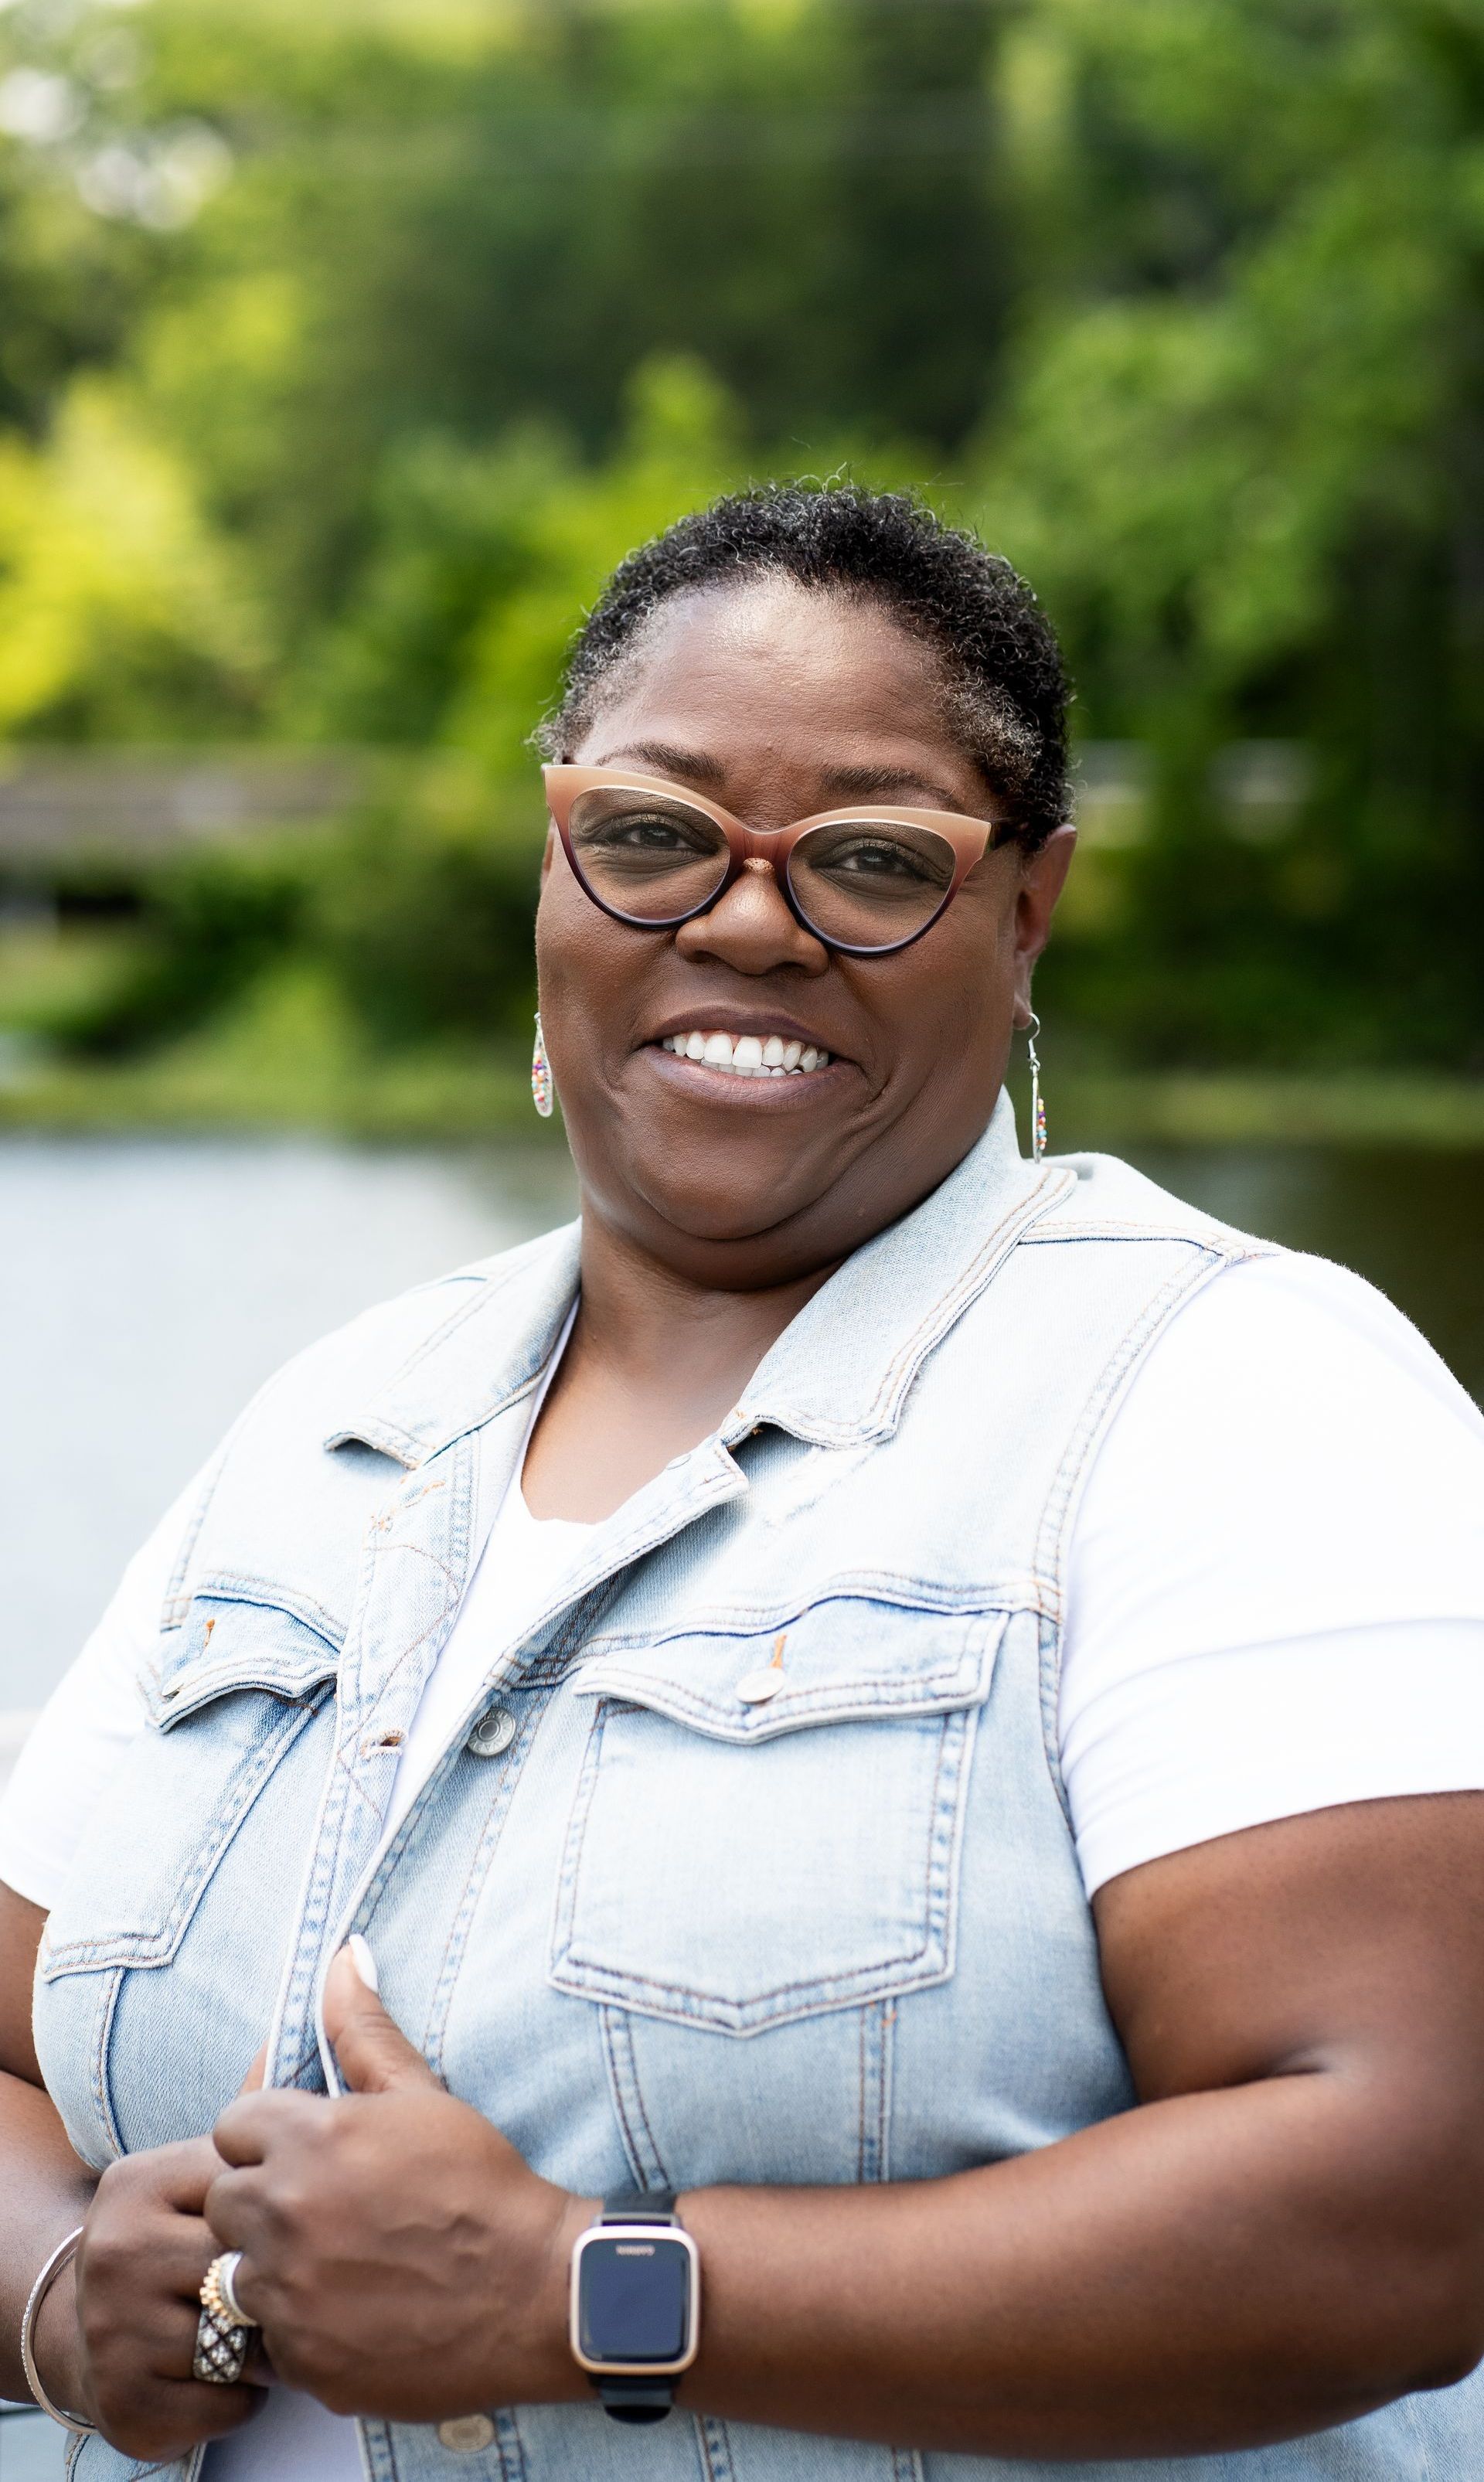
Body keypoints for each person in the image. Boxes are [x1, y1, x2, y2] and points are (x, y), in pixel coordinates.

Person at [2, 483, 1484, 2482]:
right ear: (557, 847)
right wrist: (62, 2293)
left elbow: (1410, 2189)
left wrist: (590, 2292)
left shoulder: (1229, 1399)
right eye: (652, 836)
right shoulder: (335, 1419)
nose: (745, 918)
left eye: (870, 860)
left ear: (1028, 903)